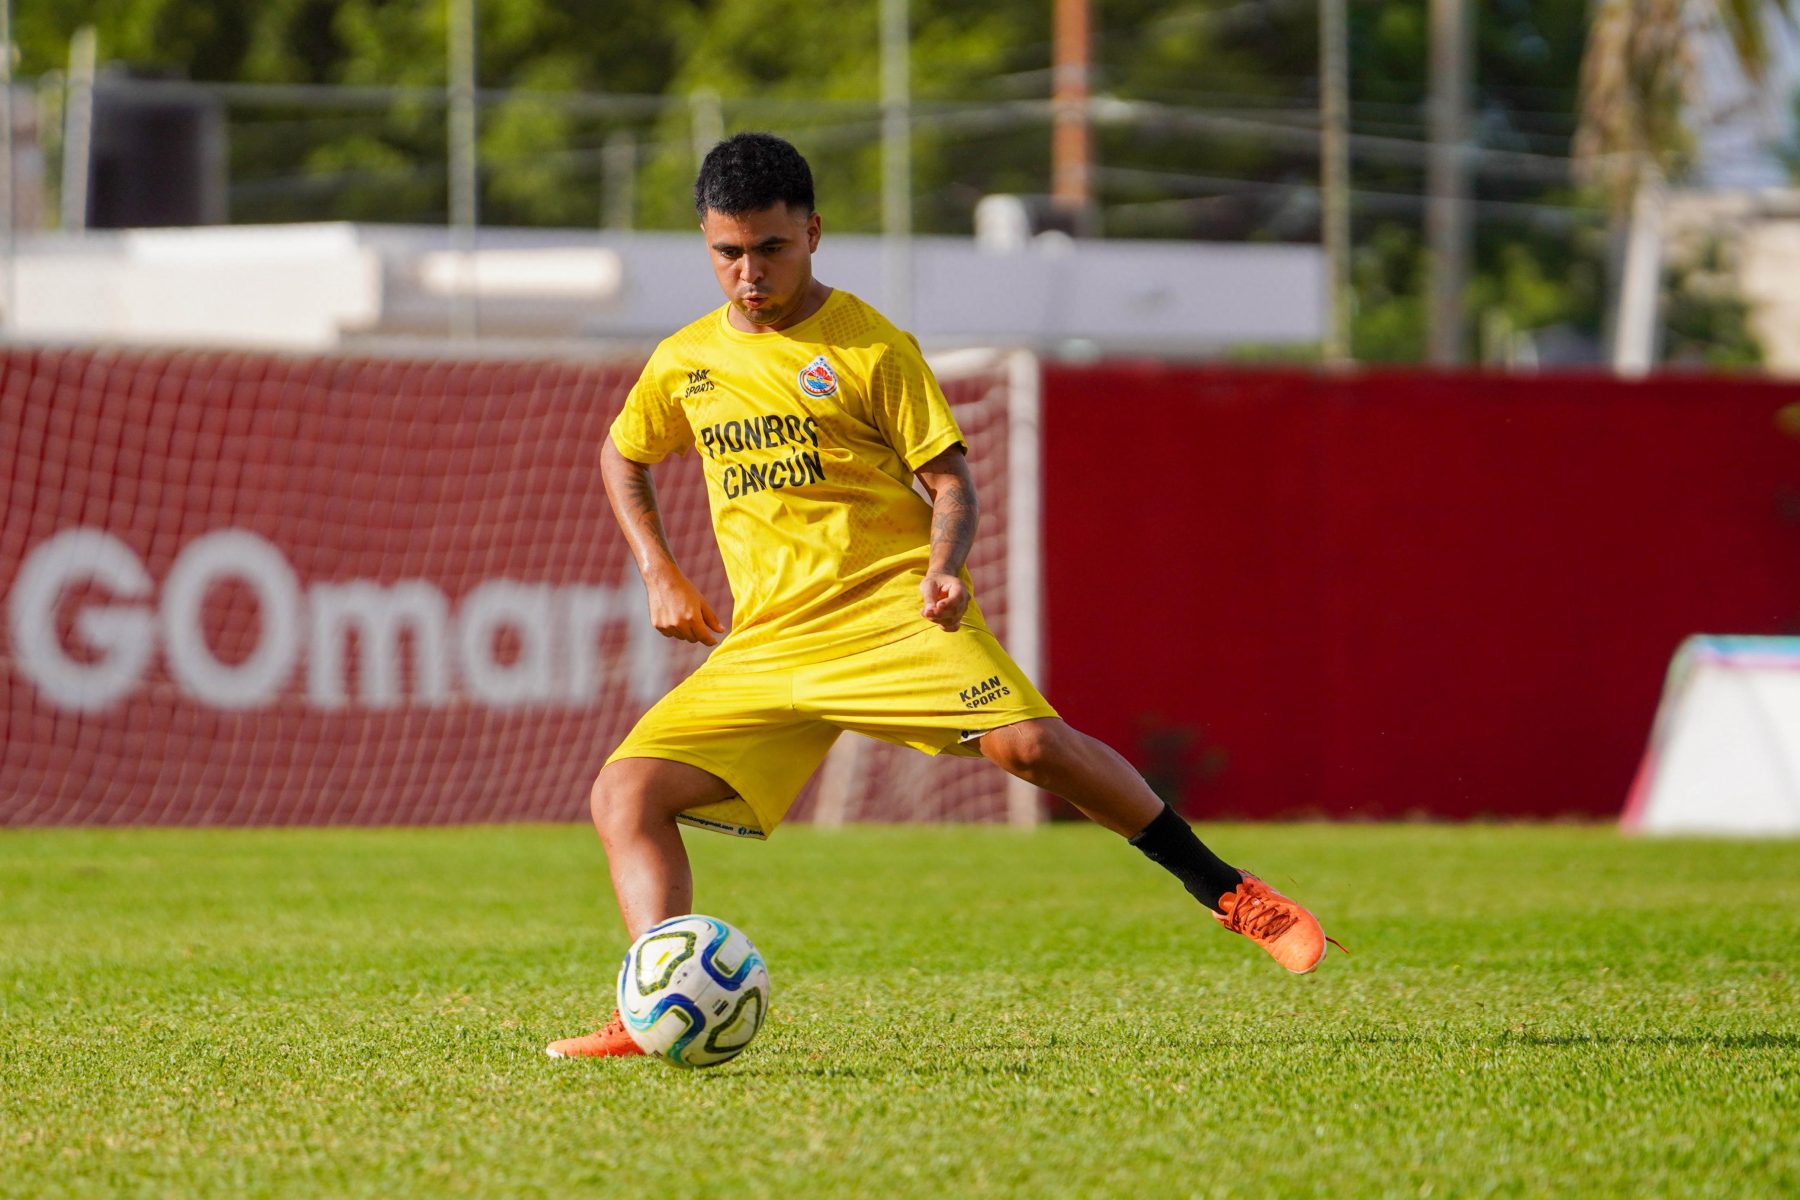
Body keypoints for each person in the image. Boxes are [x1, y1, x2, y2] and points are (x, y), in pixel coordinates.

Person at [547, 133, 1336, 1059]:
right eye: (729, 252)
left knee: (1032, 746)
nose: (749, 273)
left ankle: (1228, 890)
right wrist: (659, 569)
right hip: (768, 641)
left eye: (771, 248)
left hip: (890, 612)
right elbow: (623, 454)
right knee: (626, 792)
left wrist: (945, 565)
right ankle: (655, 999)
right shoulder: (685, 360)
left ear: (812, 233)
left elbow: (951, 481)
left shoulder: (870, 346)